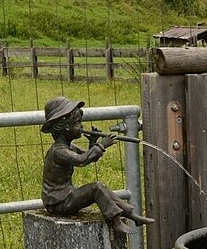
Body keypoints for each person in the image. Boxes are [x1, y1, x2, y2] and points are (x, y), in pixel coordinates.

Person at [40, 96, 155, 234]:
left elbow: (88, 156)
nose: (82, 127)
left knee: (102, 187)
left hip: (65, 196)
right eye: (78, 123)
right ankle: (116, 221)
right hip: (58, 203)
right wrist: (101, 145)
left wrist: (93, 144)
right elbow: (82, 160)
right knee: (96, 188)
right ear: (65, 126)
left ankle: (131, 215)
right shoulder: (59, 151)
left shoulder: (68, 147)